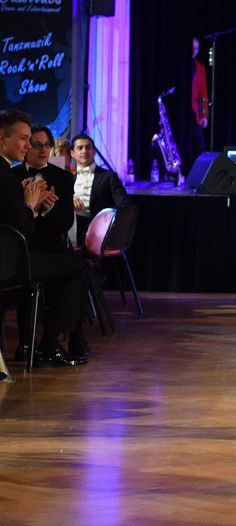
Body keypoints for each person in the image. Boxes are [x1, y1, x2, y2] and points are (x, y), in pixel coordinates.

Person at [0, 110, 90, 366]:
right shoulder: (9, 176)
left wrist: (45, 207)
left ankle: (65, 339)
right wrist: (30, 204)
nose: (31, 147)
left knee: (74, 264)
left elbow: (64, 222)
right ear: (3, 139)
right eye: (26, 140)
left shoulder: (60, 178)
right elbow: (22, 229)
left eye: (44, 144)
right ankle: (48, 344)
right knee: (77, 268)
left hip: (38, 250)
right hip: (15, 260)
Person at [70, 133, 130, 247]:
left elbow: (125, 205)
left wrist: (106, 225)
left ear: (94, 151)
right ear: (72, 153)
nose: (84, 151)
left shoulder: (109, 176)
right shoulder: (68, 178)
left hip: (101, 232)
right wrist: (69, 200)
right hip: (73, 229)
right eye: (80, 148)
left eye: (88, 147)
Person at [185, 36, 210, 168]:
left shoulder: (200, 67)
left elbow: (203, 94)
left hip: (195, 114)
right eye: (192, 48)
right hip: (182, 114)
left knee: (200, 146)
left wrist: (205, 115)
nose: (194, 51)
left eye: (197, 48)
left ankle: (198, 172)